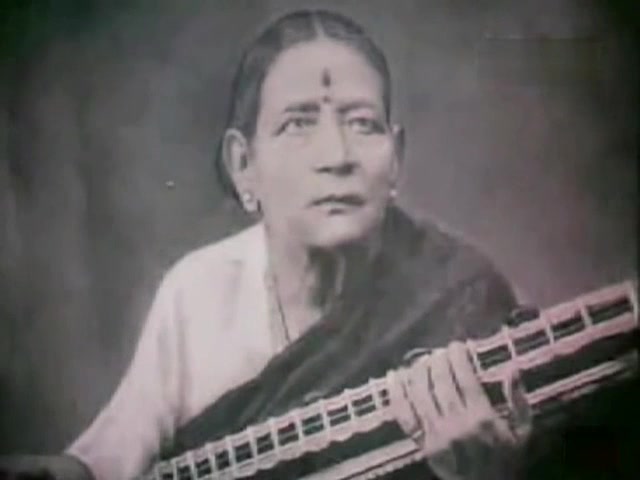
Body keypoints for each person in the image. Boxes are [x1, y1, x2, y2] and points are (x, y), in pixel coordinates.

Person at [0, 9, 531, 480]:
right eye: (298, 124)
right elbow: (119, 452)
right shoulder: (200, 291)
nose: (337, 154)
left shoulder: (460, 295)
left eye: (362, 124)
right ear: (243, 164)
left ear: (396, 157)